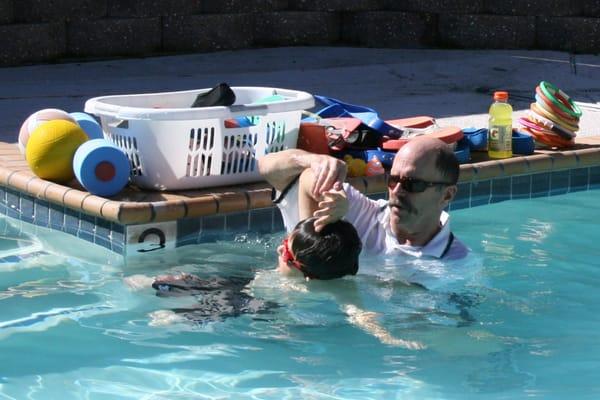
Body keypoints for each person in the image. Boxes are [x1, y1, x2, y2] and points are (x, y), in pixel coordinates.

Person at [257, 136, 469, 260]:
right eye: (393, 180)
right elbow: (267, 167)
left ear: (447, 195)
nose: (397, 191)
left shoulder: (454, 261)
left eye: (413, 184)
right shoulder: (356, 211)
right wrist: (314, 163)